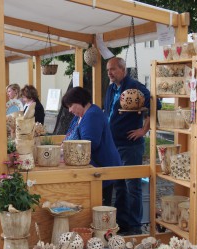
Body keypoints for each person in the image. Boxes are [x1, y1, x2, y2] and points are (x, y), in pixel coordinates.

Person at [103, 57, 161, 235]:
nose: (109, 73)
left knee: (132, 186)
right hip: (114, 144)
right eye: (107, 70)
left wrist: (143, 130)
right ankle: (122, 223)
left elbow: (155, 104)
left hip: (130, 146)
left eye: (112, 69)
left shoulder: (134, 86)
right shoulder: (112, 88)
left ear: (122, 69)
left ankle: (135, 226)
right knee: (119, 185)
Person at [62, 87, 122, 205]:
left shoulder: (92, 115)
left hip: (101, 168)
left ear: (79, 101)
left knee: (100, 204)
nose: (69, 110)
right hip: (94, 168)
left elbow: (90, 144)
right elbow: (70, 135)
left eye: (70, 105)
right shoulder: (79, 116)